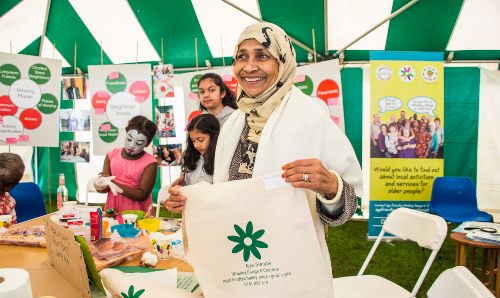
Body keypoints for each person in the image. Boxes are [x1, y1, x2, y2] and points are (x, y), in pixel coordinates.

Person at [164, 22, 362, 277]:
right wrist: (191, 199)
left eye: (262, 56)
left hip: (290, 263)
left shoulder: (311, 116)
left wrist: (331, 187)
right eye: (241, 57)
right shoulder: (236, 121)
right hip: (237, 252)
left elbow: (349, 203)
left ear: (283, 61)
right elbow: (224, 189)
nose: (249, 66)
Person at [94, 115, 158, 216]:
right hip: (113, 212)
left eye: (139, 142)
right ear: (126, 132)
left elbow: (142, 194)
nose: (132, 145)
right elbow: (105, 187)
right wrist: (100, 185)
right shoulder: (112, 155)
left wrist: (114, 184)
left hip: (138, 215)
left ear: (147, 143)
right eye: (129, 139)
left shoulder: (150, 163)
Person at [0, 153, 25, 225]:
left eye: (14, 185)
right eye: (5, 183)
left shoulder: (8, 201)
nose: (8, 189)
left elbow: (11, 225)